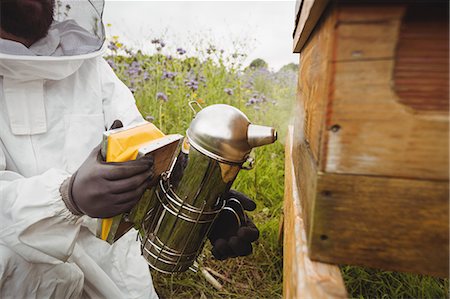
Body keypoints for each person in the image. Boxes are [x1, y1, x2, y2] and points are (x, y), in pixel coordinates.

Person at [0, 0, 259, 298]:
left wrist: (197, 203)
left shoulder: (90, 67)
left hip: (113, 271)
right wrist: (66, 197)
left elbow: (146, 156)